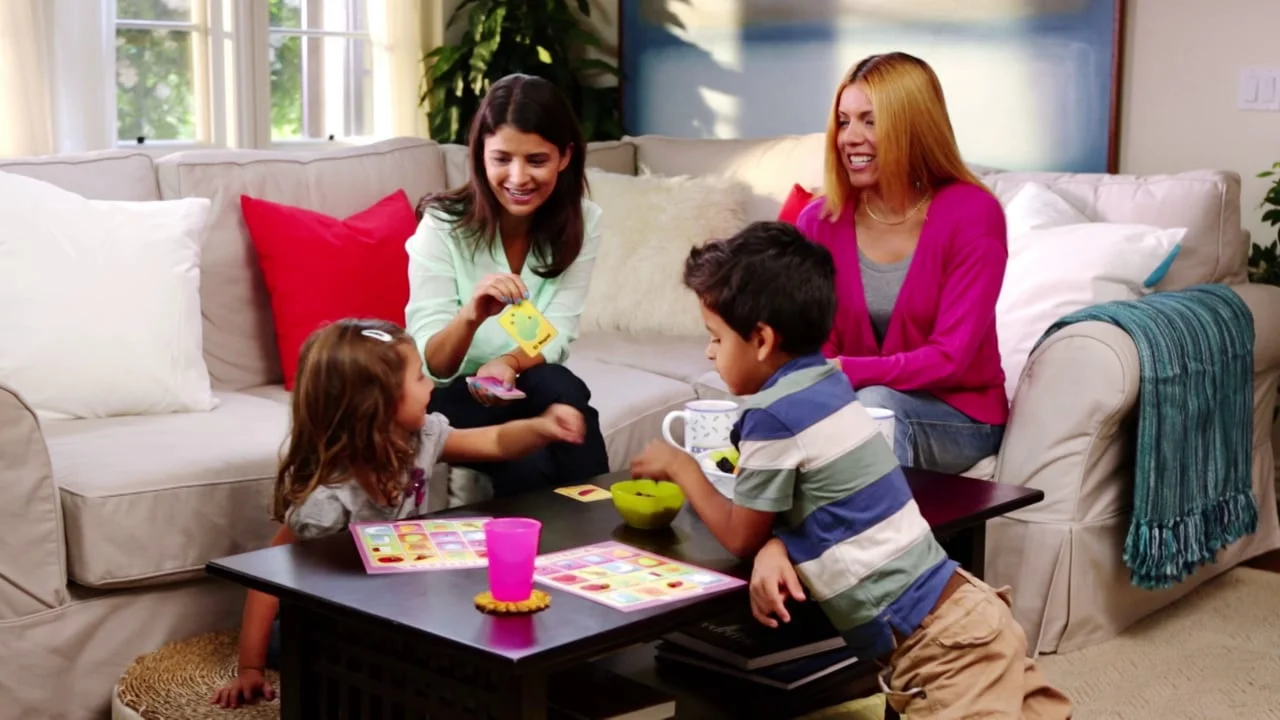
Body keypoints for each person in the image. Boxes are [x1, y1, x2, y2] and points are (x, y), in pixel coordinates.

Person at [631, 223, 1071, 719]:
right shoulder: (827, 384)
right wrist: (779, 545)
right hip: (966, 611)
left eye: (716, 338)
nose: (709, 352)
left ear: (761, 339)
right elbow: (830, 502)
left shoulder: (770, 416)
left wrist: (683, 466)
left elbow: (740, 536)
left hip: (940, 649)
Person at [212, 318, 586, 708]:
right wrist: (250, 667)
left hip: (394, 601)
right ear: (380, 402)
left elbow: (494, 441)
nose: (431, 386)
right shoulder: (328, 502)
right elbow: (272, 572)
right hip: (330, 619)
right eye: (420, 377)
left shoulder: (421, 437)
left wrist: (541, 428)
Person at [794, 52, 1007, 474]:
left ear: (912, 127)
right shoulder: (818, 222)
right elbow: (815, 340)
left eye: (870, 121)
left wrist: (847, 371)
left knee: (876, 410)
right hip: (852, 400)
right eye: (844, 121)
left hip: (957, 413)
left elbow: (950, 358)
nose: (850, 137)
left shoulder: (973, 215)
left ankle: (886, 520)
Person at [406, 73, 610, 497]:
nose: (518, 178)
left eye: (536, 160)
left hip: (521, 381)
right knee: (547, 429)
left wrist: (508, 364)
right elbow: (433, 366)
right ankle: (593, 521)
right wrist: (471, 315)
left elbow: (558, 330)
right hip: (449, 395)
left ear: (565, 156)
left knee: (561, 387)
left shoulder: (583, 221)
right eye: (501, 159)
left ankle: (589, 522)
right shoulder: (442, 226)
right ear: (480, 155)